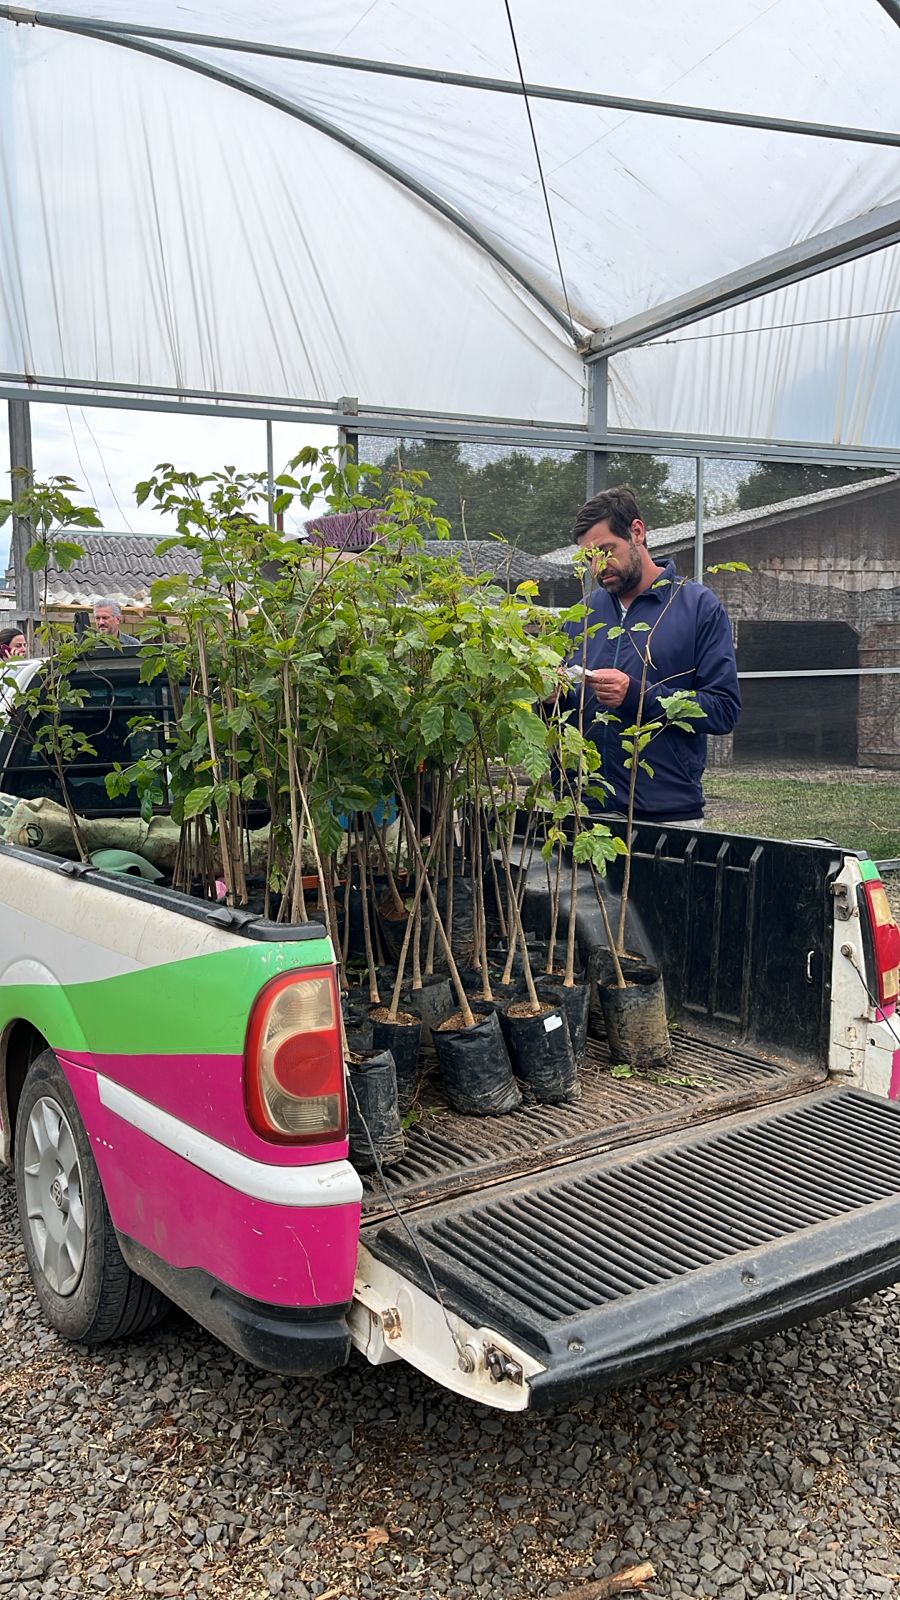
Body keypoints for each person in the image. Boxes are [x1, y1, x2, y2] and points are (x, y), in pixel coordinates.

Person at [560, 486, 741, 825]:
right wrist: (549, 698)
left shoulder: (696, 607)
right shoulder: (581, 616)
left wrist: (636, 696)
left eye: (606, 550)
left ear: (637, 532)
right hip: (584, 810)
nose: (598, 566)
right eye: (588, 559)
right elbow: (564, 712)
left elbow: (724, 709)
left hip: (666, 815)